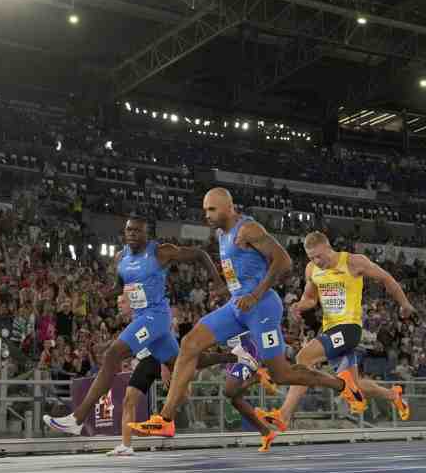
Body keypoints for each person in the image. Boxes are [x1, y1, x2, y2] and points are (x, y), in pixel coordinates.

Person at [130, 188, 366, 438]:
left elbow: (284, 261)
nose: (206, 215)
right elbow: (240, 270)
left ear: (228, 207)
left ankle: (342, 384)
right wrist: (227, 287)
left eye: (212, 209)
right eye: (205, 210)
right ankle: (166, 419)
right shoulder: (222, 233)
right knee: (189, 344)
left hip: (261, 307)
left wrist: (254, 295)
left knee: (281, 373)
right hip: (237, 306)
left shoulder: (248, 229)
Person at [43, 217, 228, 436]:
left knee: (113, 354)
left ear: (146, 233)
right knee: (183, 361)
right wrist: (103, 293)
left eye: (137, 231)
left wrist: (218, 282)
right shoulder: (121, 257)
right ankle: (234, 356)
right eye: (129, 230)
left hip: (155, 317)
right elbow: (120, 286)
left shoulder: (160, 252)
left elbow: (201, 254)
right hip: (141, 317)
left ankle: (77, 418)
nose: (132, 234)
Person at [255, 231, 412, 435]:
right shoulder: (312, 269)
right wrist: (298, 306)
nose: (317, 261)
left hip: (349, 329)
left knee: (304, 357)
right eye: (311, 257)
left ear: (329, 248)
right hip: (330, 330)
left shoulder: (353, 262)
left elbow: (386, 278)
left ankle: (283, 415)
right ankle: (394, 396)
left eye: (320, 256)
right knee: (356, 386)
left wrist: (405, 304)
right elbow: (310, 298)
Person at [106, 294, 271, 456]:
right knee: (131, 400)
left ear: (132, 303)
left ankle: (166, 419)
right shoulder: (131, 320)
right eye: (118, 302)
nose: (119, 305)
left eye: (122, 302)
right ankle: (127, 444)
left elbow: (162, 334)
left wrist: (164, 365)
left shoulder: (147, 312)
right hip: (150, 360)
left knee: (205, 375)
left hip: (161, 358)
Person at [223, 332, 281, 452]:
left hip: (245, 350)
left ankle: (257, 377)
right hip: (233, 353)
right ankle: (266, 432)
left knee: (229, 391)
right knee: (236, 400)